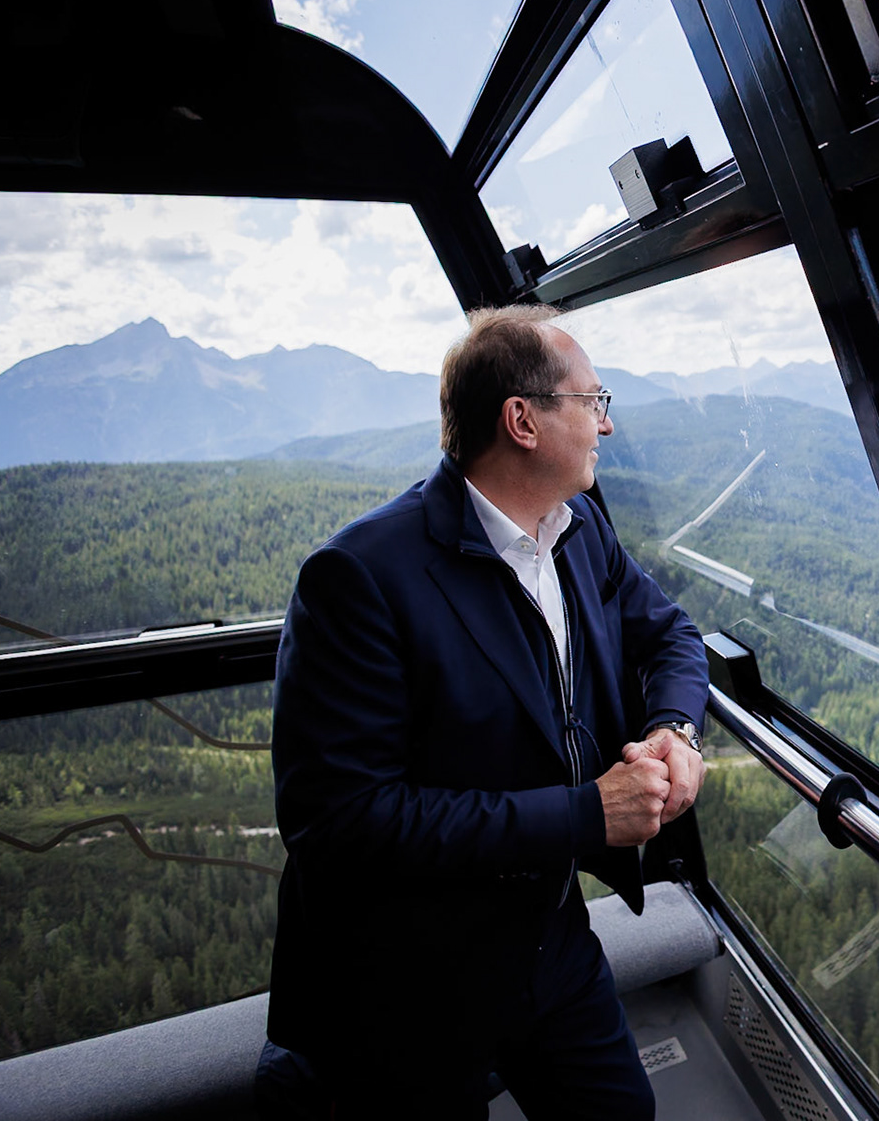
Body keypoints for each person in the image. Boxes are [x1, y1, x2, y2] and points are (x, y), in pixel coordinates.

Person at [256, 305, 710, 1119]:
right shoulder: (360, 577)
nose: (605, 425)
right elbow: (341, 823)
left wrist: (672, 730)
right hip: (404, 974)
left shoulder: (579, 531)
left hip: (546, 937)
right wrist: (584, 815)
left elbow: (669, 632)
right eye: (593, 401)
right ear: (523, 420)